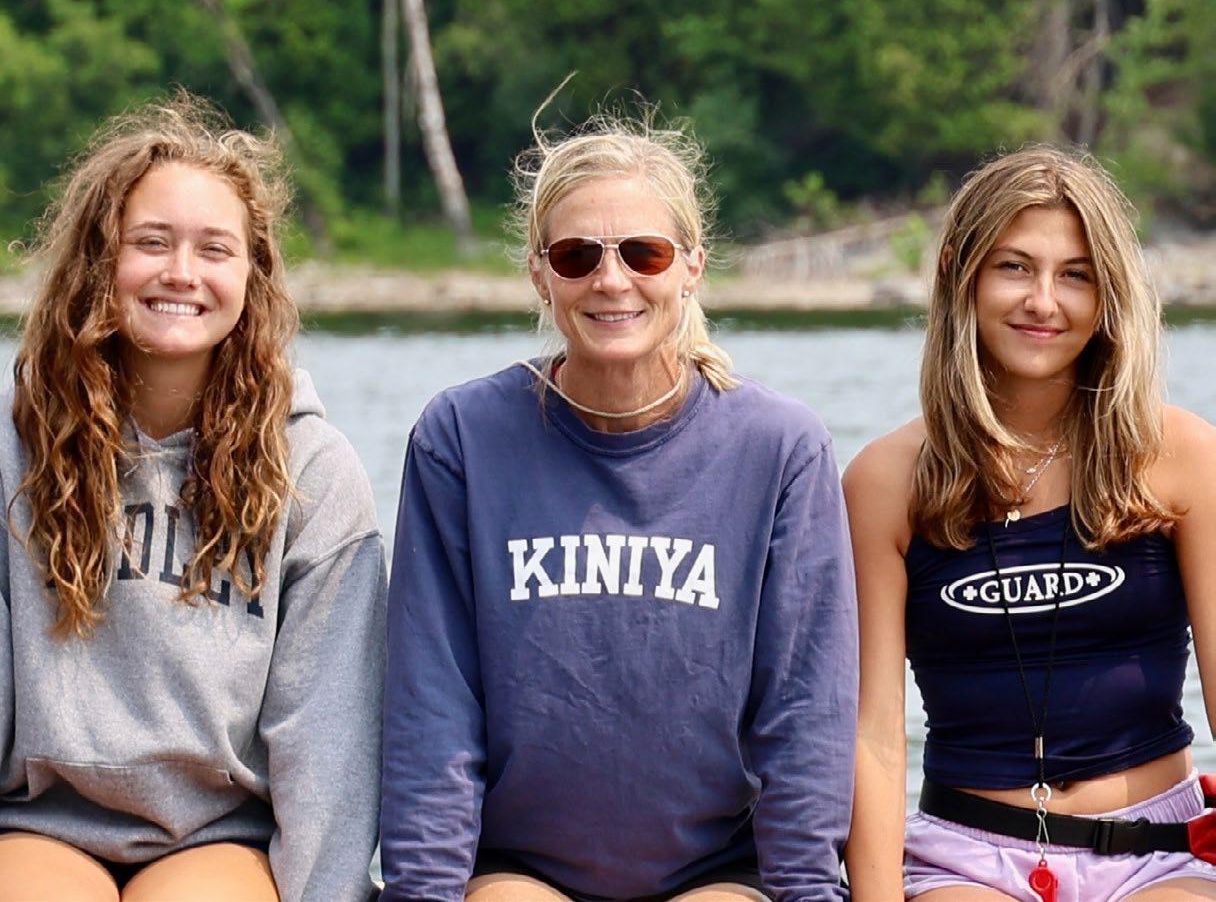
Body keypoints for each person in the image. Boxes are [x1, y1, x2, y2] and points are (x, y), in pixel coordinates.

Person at [380, 107, 857, 902]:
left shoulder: (780, 449)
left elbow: (804, 714)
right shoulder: (460, 438)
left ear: (692, 265)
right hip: (519, 873)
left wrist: (807, 892)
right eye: (577, 255)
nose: (611, 279)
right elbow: (434, 706)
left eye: (644, 252)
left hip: (717, 875)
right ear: (540, 274)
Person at [0, 95, 386, 902]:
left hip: (218, 834)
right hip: (37, 822)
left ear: (252, 273)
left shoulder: (312, 470)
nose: (182, 272)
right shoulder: (15, 447)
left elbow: (329, 737)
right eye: (151, 242)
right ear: (99, 259)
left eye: (215, 248)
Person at [844, 146, 1216, 901]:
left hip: (1161, 855)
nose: (1043, 301)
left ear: (1109, 295)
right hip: (964, 860)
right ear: (960, 272)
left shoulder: (1182, 456)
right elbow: (874, 738)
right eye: (1014, 267)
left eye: (1075, 274)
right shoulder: (883, 482)